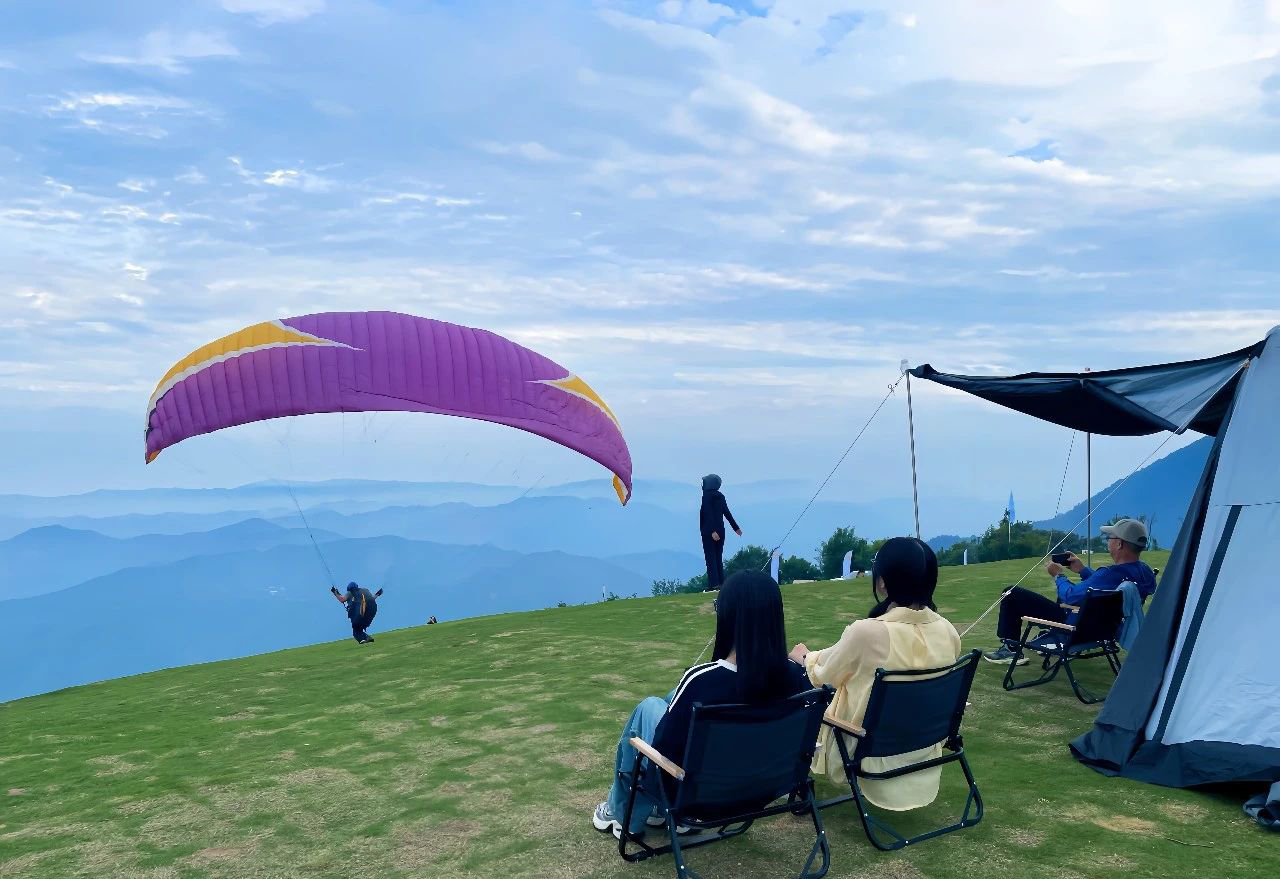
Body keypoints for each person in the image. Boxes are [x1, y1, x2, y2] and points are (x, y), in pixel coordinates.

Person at [592, 571, 810, 840]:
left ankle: (624, 814)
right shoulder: (795, 677)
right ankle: (650, 813)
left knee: (649, 707)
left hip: (697, 797)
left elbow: (664, 748)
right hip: (761, 786)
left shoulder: (702, 680)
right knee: (672, 697)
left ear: (729, 616)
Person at [790, 537, 961, 810]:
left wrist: (804, 658)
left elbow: (824, 676)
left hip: (867, 747)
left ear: (882, 582)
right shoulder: (947, 631)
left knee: (798, 677)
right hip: (922, 741)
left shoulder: (868, 633)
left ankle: (788, 775)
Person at [983, 518, 1157, 664]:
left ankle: (1010, 649)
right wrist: (1083, 570)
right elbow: (1107, 587)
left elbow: (1070, 596)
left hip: (1076, 627)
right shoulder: (1144, 572)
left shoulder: (1109, 574)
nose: (1108, 540)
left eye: (1110, 537)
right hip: (1104, 629)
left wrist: (1058, 576)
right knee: (1071, 594)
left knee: (1011, 593)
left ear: (1119, 544)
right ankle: (1046, 637)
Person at [699, 474, 742, 592]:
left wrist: (712, 530)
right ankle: (721, 583)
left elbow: (707, 513)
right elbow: (727, 512)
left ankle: (714, 585)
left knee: (710, 558)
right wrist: (736, 528)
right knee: (718, 557)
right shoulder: (720, 496)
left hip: (709, 532)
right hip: (721, 531)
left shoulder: (706, 496)